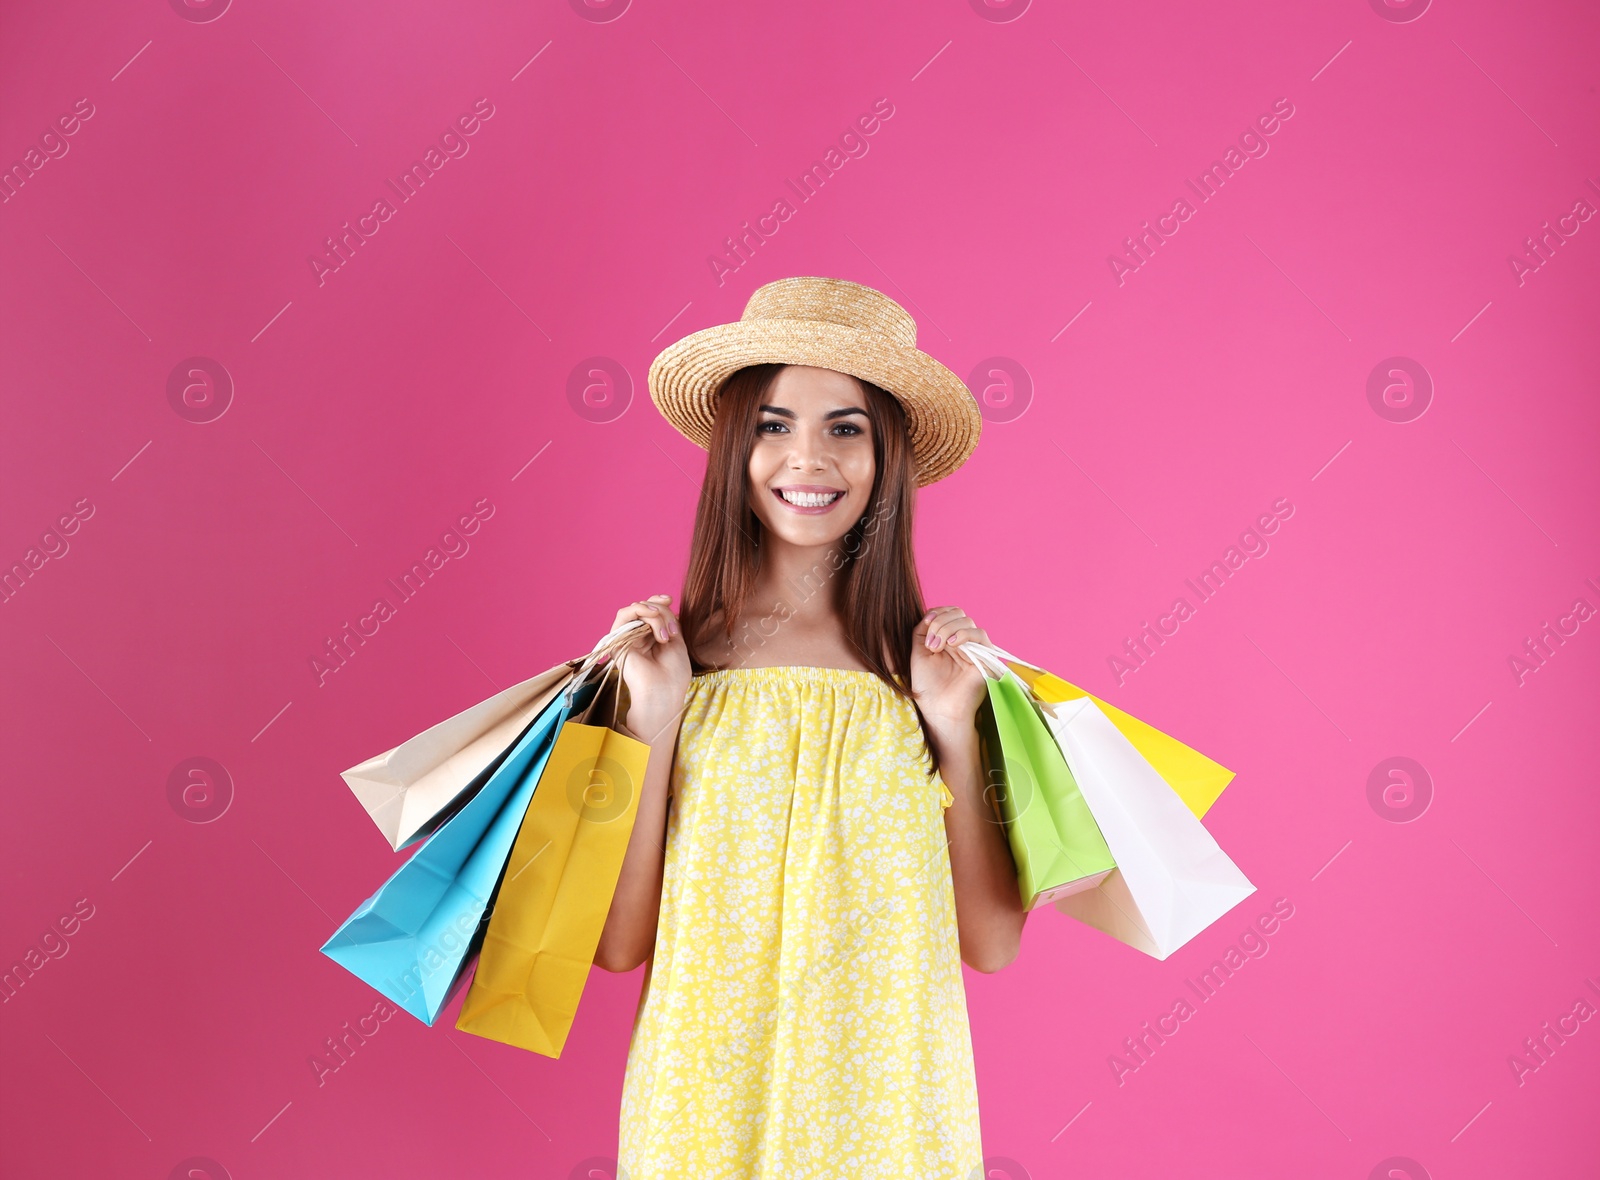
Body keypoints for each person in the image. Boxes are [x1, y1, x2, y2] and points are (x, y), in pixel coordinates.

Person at [595, 276, 1027, 1178]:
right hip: (705, 1113)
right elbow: (622, 943)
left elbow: (990, 945)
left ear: (887, 457)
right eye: (774, 424)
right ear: (735, 444)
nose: (808, 458)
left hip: (888, 1116)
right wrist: (655, 718)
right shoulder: (676, 669)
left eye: (845, 428)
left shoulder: (927, 677)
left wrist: (953, 725)